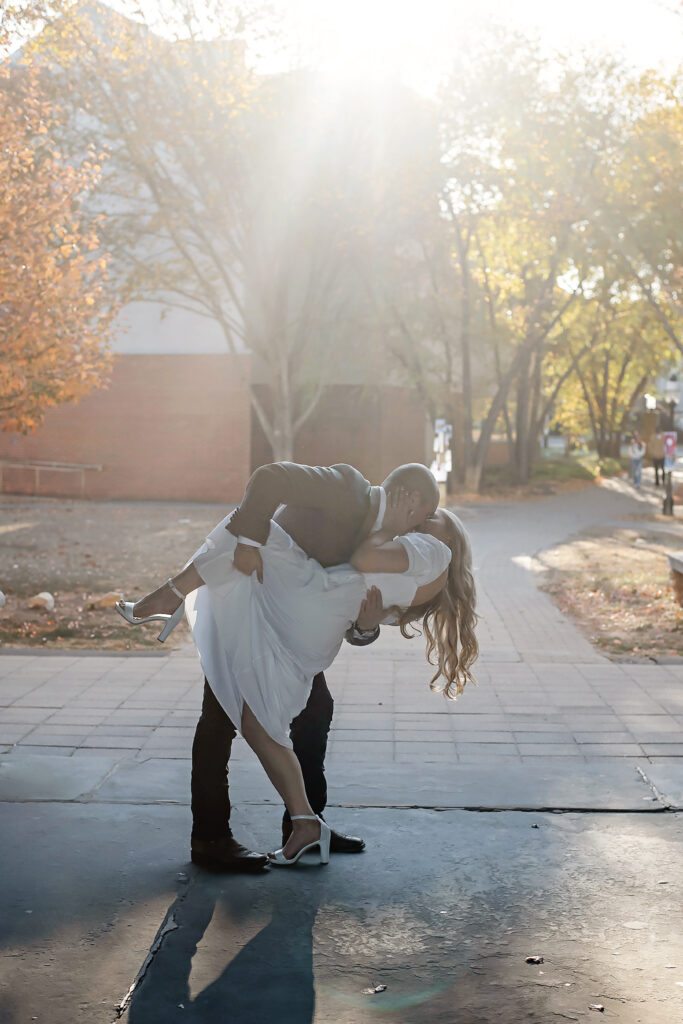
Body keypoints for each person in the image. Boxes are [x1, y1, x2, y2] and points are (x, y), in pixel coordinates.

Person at [118, 462, 476, 868]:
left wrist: (364, 626)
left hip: (296, 612)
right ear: (410, 500)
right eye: (426, 514)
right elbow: (270, 479)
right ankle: (215, 836)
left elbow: (367, 607)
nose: (423, 523)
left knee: (302, 713)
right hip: (268, 599)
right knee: (229, 716)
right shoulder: (348, 488)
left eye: (433, 520)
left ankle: (304, 823)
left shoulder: (413, 547)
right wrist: (249, 542)